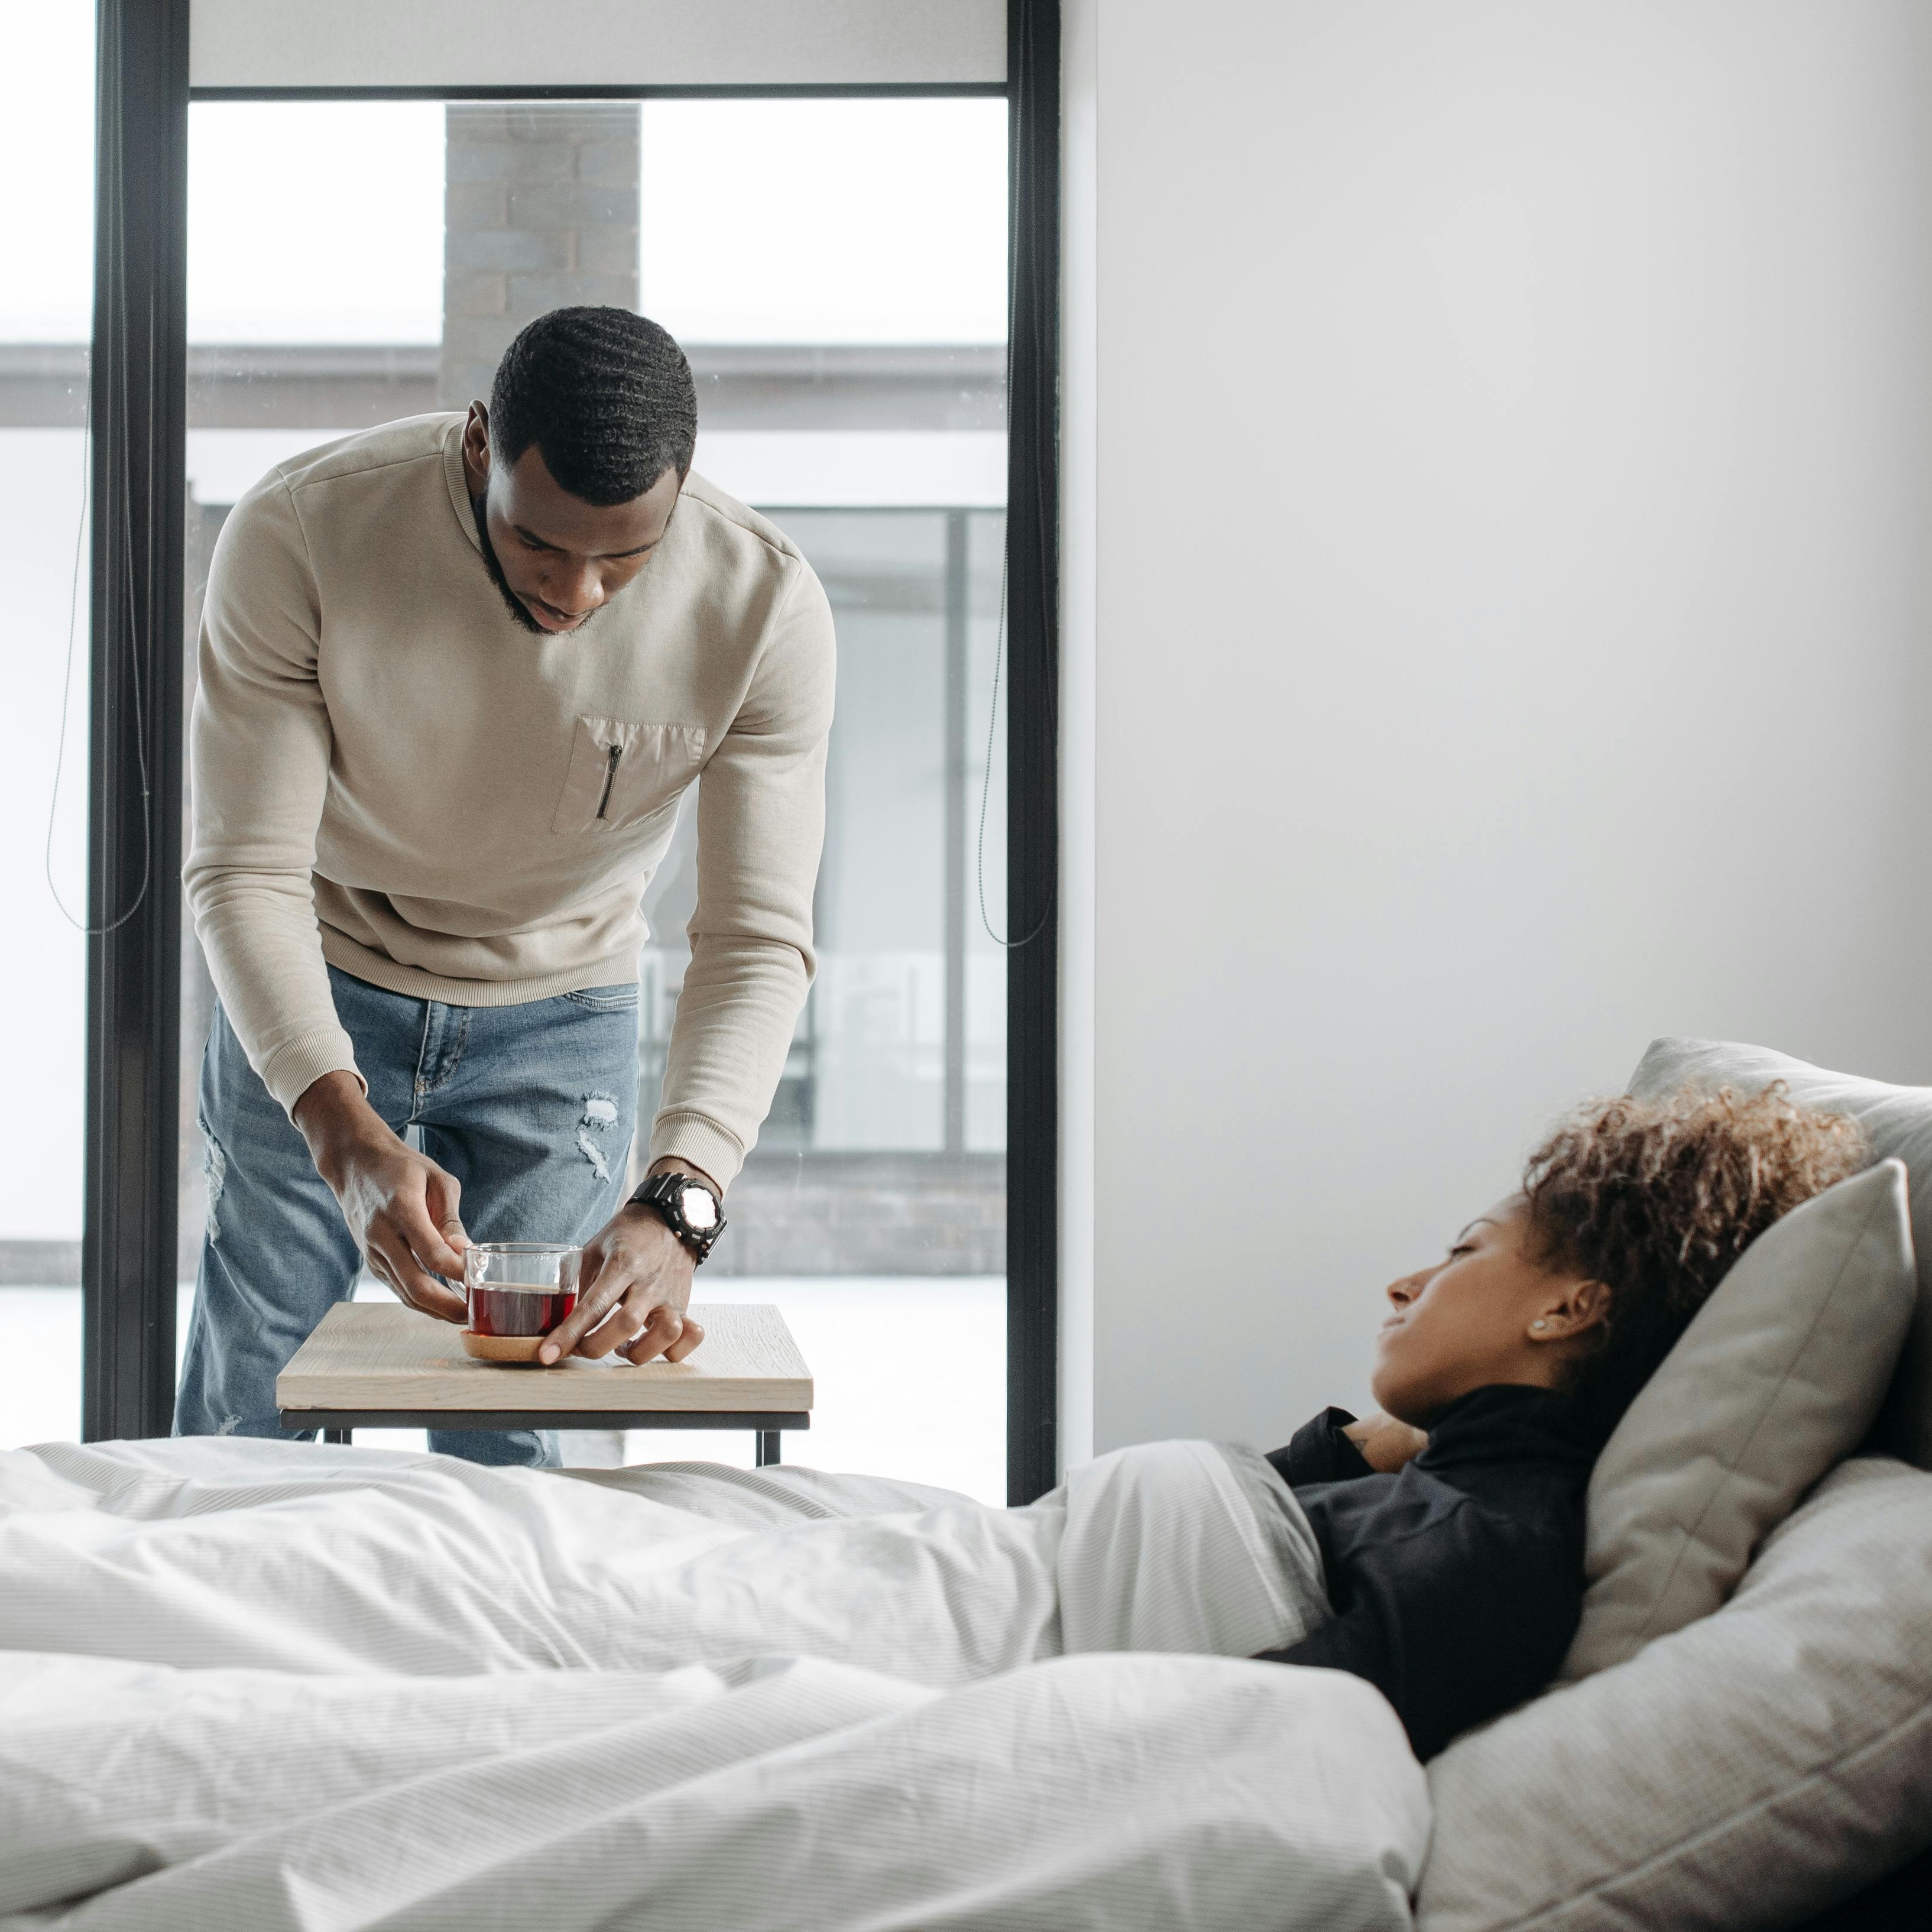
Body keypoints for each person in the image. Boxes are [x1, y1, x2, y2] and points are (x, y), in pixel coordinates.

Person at [174, 306, 835, 1466]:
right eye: (540, 544)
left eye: (621, 559)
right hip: (322, 972)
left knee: (522, 1428)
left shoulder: (764, 608)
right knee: (249, 1398)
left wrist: (681, 1197)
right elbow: (246, 868)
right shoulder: (300, 530)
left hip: (563, 1003)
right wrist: (338, 1133)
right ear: (479, 445)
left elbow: (753, 938)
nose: (576, 593)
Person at [1255, 1082, 1866, 1759]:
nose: (1404, 1284)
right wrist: (1392, 1437)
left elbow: (1222, 1737)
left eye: (1464, 1252)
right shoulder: (1436, 1497)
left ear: (1569, 1311)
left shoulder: (1484, 1545)